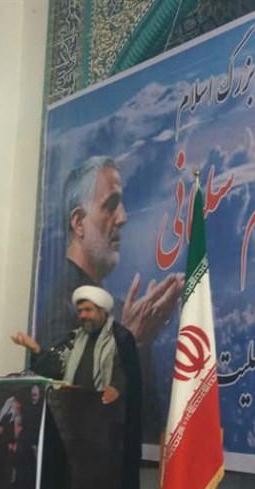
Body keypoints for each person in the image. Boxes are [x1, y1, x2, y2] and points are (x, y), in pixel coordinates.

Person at [36, 156, 184, 442]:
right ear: (78, 222)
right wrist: (130, 341)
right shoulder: (61, 310)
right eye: (111, 205)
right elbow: (67, 413)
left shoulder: (111, 308)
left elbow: (145, 423)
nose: (123, 217)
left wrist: (139, 345)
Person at [12, 285, 142, 489]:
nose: (83, 315)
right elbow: (56, 368)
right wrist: (36, 349)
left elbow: (129, 376)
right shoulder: (74, 339)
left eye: (88, 310)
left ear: (102, 311)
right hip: (74, 431)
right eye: (80, 311)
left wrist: (117, 388)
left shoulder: (121, 338)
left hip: (106, 435)